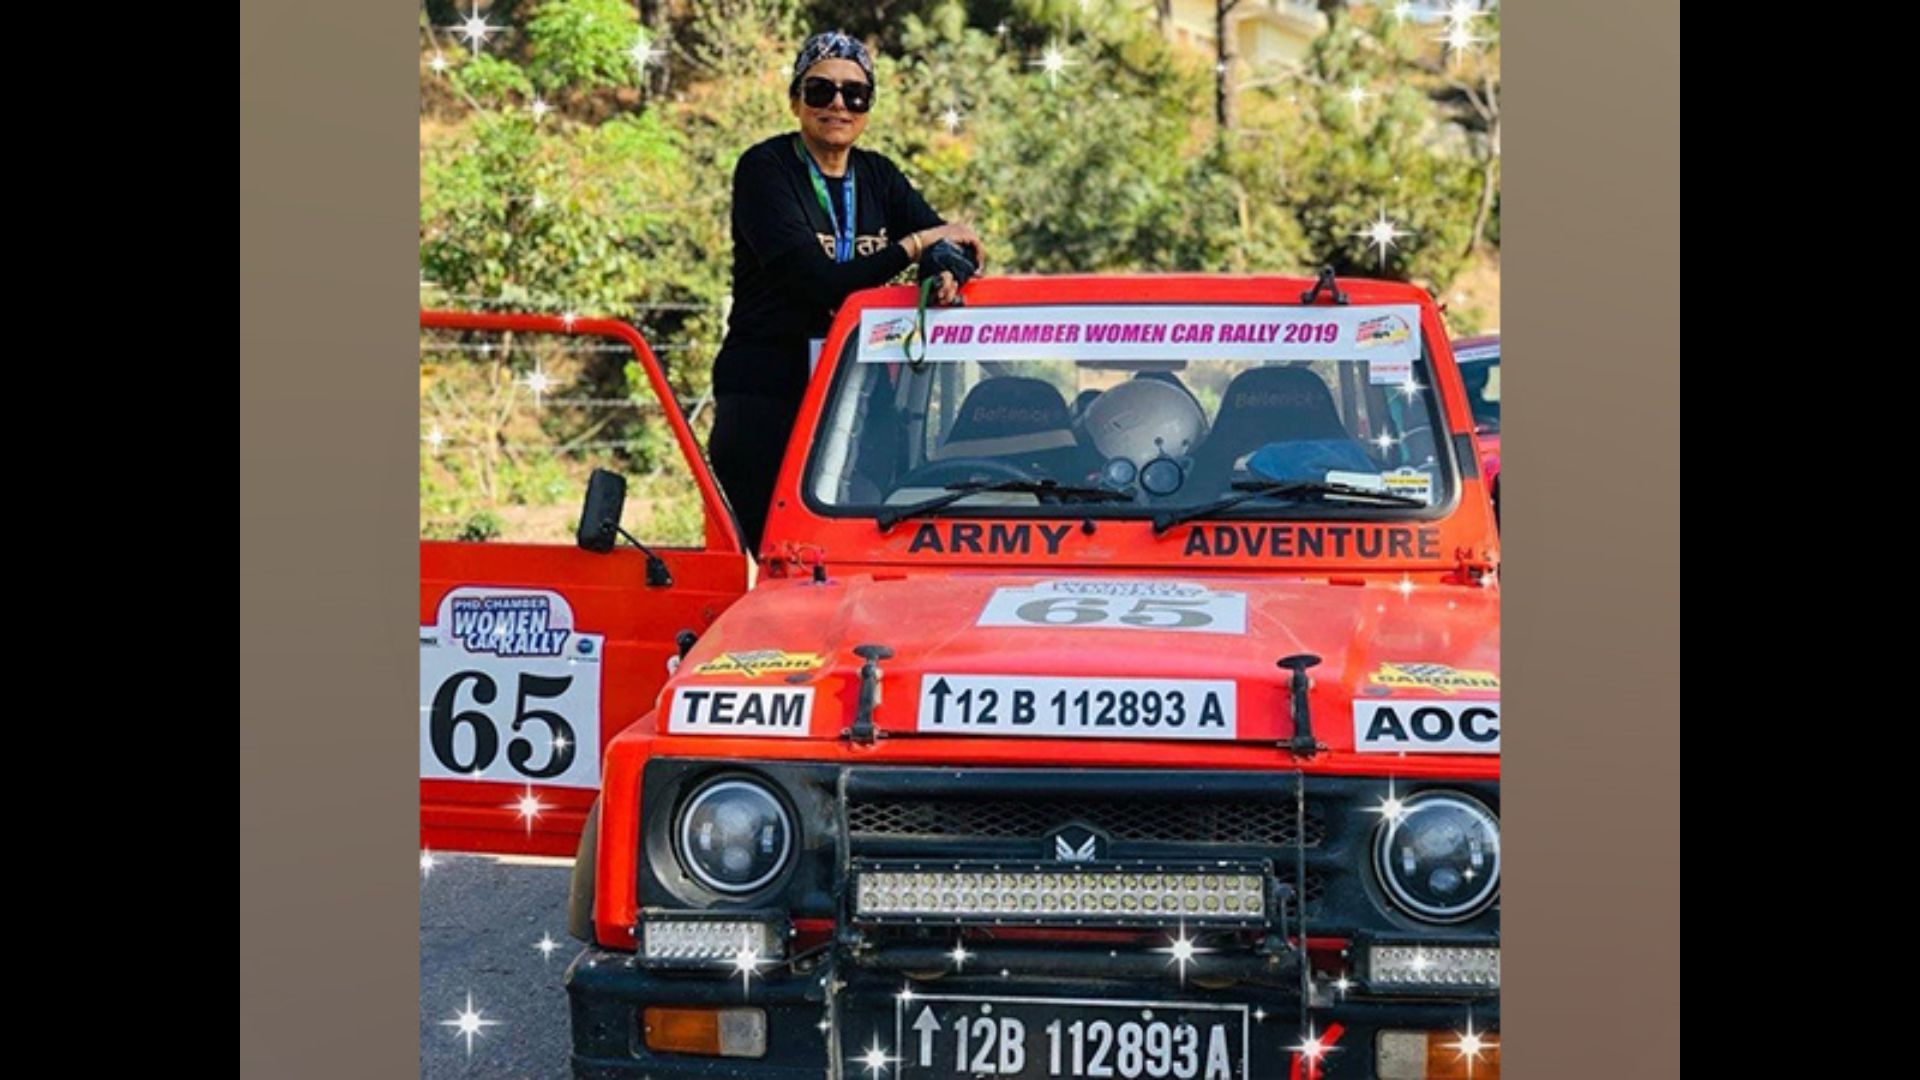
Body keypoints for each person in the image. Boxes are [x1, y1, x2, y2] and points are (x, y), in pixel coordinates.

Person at [707, 30, 984, 553]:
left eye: (854, 94)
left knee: (861, 554)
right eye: (820, 91)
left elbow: (952, 242)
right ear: (795, 100)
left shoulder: (876, 174)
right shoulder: (765, 170)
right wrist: (918, 245)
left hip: (860, 398)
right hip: (769, 394)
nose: (838, 104)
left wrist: (944, 266)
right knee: (784, 558)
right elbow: (818, 281)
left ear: (868, 108)